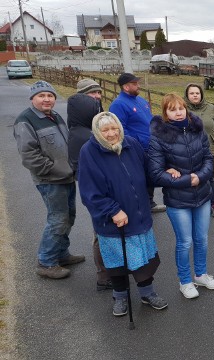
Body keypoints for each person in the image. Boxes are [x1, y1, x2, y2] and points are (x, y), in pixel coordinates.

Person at [78, 112, 167, 316]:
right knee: (117, 262)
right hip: (112, 221)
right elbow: (89, 192)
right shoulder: (89, 151)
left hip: (139, 216)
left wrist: (166, 173)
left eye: (114, 128)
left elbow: (148, 172)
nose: (111, 134)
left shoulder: (131, 144)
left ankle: (147, 292)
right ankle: (120, 297)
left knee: (144, 260)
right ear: (97, 132)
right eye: (105, 130)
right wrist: (113, 210)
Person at [147, 93, 214, 299]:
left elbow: (208, 158)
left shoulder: (198, 130)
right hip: (178, 200)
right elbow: (156, 173)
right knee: (185, 241)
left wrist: (200, 177)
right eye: (172, 109)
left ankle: (201, 275)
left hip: (203, 195)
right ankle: (185, 281)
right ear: (165, 113)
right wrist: (187, 180)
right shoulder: (158, 137)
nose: (178, 113)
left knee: (202, 239)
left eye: (180, 108)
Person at [13, 80, 85, 279]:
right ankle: (46, 262)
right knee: (57, 219)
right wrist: (53, 170)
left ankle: (61, 253)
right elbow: (29, 156)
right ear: (33, 98)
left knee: (69, 217)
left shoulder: (54, 116)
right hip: (50, 181)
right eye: (41, 96)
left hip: (67, 177)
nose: (47, 99)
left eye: (50, 96)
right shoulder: (25, 120)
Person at [67, 78, 112, 291]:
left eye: (98, 93)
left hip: (109, 189)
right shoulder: (82, 132)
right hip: (99, 193)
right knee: (101, 231)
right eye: (91, 93)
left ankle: (113, 270)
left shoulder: (95, 123)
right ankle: (104, 275)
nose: (96, 96)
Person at [109, 72, 165, 213]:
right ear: (126, 87)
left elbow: (149, 120)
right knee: (138, 177)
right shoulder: (118, 104)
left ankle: (150, 202)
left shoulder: (141, 101)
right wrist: (134, 144)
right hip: (136, 149)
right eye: (135, 84)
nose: (138, 85)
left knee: (150, 174)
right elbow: (119, 128)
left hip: (150, 145)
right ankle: (140, 205)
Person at [184, 83, 214, 218]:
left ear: (201, 94)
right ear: (187, 95)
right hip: (190, 150)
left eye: (197, 93)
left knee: (209, 177)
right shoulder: (183, 109)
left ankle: (213, 203)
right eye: (192, 93)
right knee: (193, 176)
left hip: (209, 149)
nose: (195, 95)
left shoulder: (211, 108)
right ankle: (196, 203)